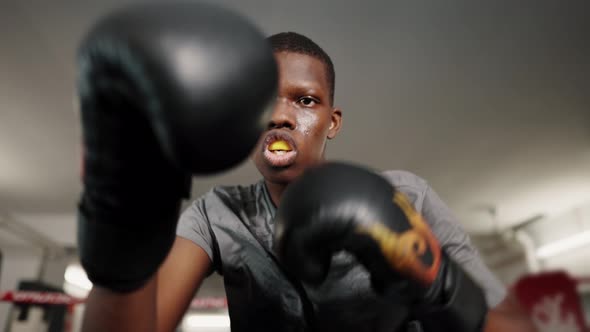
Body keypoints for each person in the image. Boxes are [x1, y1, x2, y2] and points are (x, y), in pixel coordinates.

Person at [77, 3, 536, 332]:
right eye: (263, 101)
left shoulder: (406, 197)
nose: (280, 116)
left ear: (331, 122)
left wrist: (437, 283)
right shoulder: (215, 215)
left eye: (306, 100)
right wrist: (124, 224)